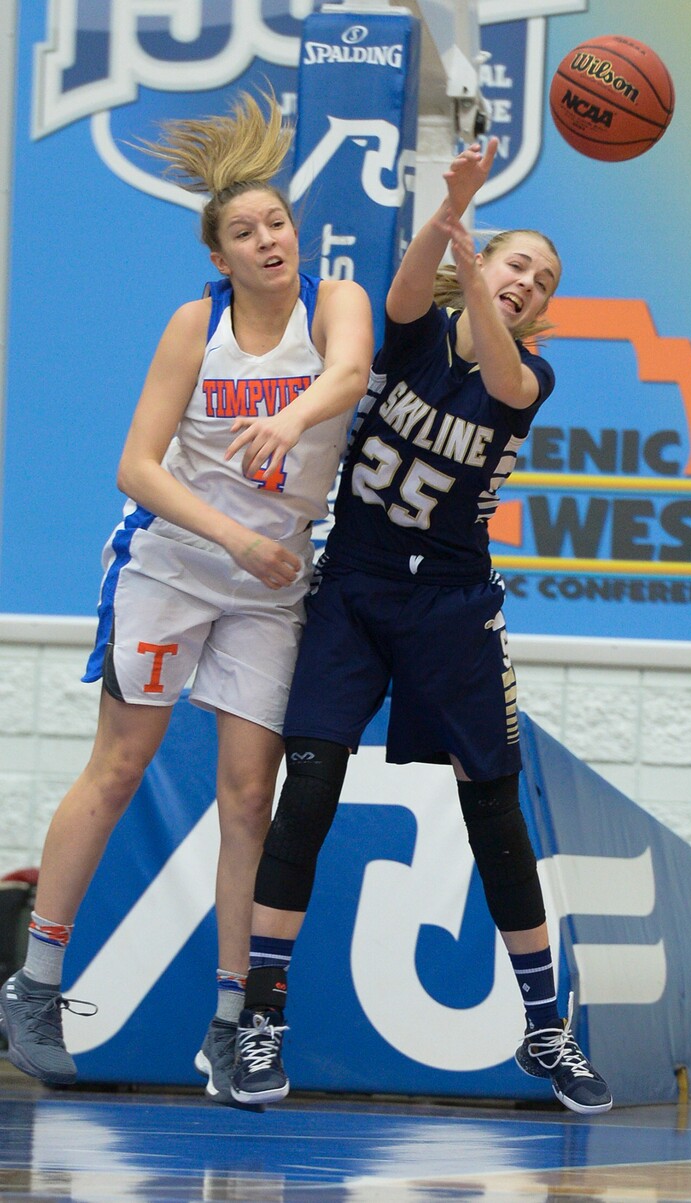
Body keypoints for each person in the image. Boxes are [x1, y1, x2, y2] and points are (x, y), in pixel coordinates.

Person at [0, 92, 373, 1104]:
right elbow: (136, 466)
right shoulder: (192, 326)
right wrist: (237, 535)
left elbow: (347, 375)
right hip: (176, 565)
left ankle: (232, 1022)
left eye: (277, 224)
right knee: (119, 767)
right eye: (245, 232)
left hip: (267, 588)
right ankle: (33, 985)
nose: (267, 242)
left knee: (249, 797)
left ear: (297, 233)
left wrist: (288, 420)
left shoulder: (335, 300)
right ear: (222, 255)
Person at [229, 137, 613, 1115]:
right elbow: (408, 299)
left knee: (492, 809)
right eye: (514, 261)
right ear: (482, 266)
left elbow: (490, 358)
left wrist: (468, 249)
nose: (526, 280)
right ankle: (260, 1022)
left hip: (450, 609)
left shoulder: (526, 377)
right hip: (353, 591)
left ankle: (543, 1029)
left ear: (542, 304)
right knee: (306, 789)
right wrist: (447, 221)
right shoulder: (411, 335)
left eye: (542, 277)